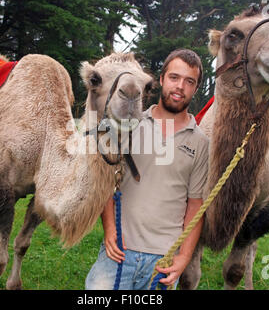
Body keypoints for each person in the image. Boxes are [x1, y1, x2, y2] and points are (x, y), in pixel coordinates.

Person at [85, 49, 209, 290]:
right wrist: (109, 228)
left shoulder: (201, 143)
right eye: (174, 77)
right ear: (162, 79)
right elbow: (107, 181)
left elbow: (196, 206)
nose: (180, 86)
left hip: (163, 259)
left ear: (195, 88)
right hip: (119, 251)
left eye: (189, 81)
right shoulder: (128, 126)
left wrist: (183, 257)